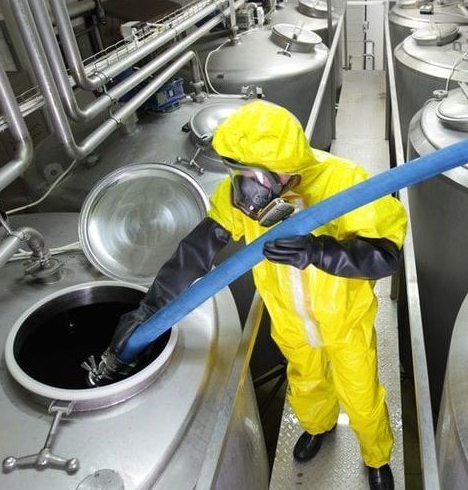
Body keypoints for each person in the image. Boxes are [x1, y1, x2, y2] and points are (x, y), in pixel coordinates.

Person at [103, 100, 406, 490]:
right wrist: (149, 309)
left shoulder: (345, 182)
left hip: (344, 321)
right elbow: (196, 251)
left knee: (361, 393)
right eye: (236, 170)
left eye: (252, 172)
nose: (244, 185)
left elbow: (385, 256)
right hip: (289, 321)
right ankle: (318, 427)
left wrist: (319, 251)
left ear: (284, 164)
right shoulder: (245, 195)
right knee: (306, 381)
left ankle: (376, 456)